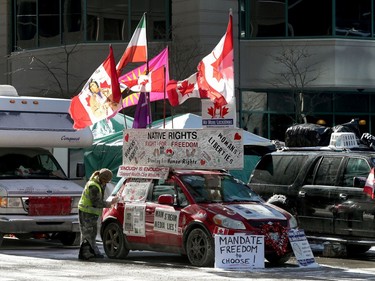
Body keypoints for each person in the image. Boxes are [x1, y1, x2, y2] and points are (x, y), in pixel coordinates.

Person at [78, 168, 118, 260]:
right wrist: (110, 203)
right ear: (103, 179)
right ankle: (85, 253)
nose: (107, 184)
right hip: (86, 212)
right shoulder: (94, 187)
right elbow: (96, 203)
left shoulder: (96, 183)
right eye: (107, 182)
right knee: (87, 233)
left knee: (92, 233)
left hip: (90, 212)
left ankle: (92, 251)